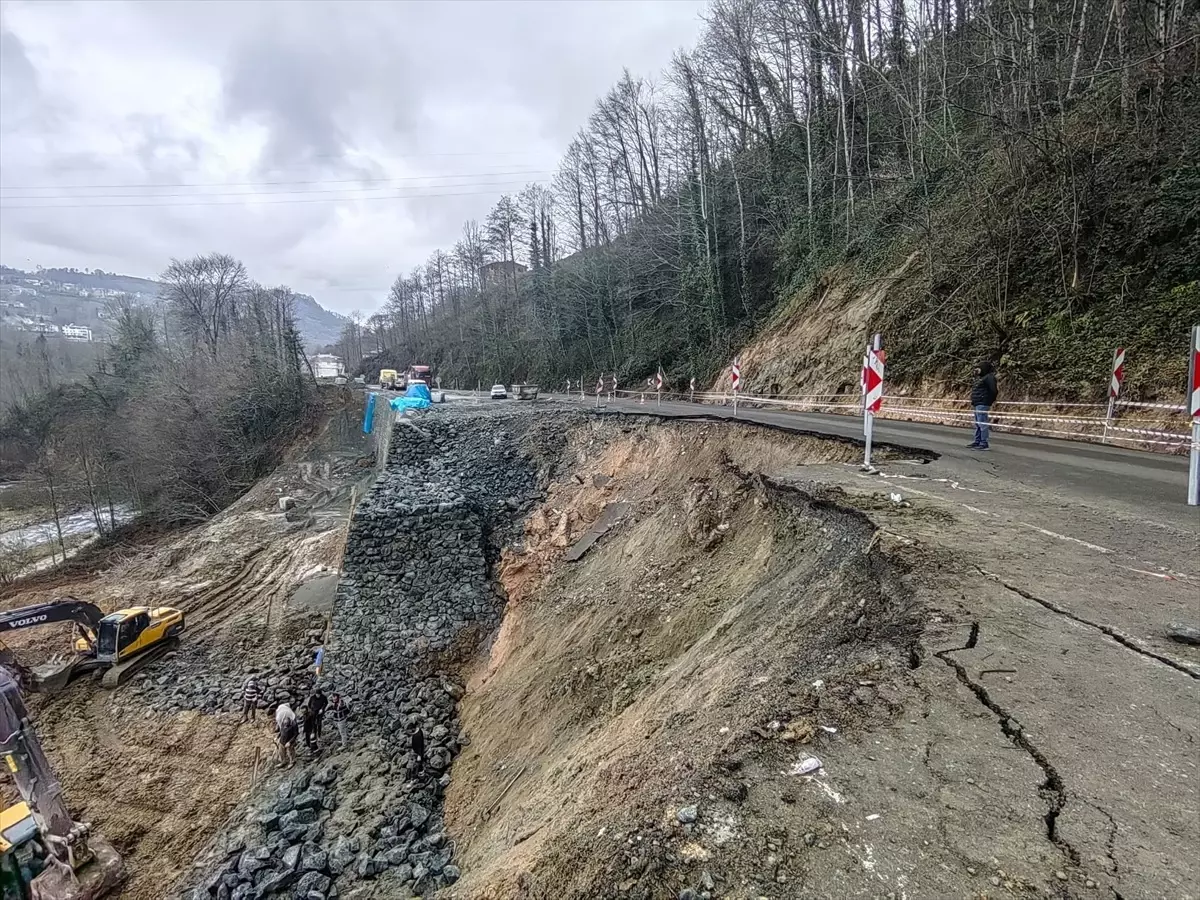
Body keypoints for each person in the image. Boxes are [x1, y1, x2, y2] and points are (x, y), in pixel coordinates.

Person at [968, 359, 998, 450]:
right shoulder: (980, 378)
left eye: (979, 368)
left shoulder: (989, 377)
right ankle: (978, 441)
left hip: (983, 403)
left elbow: (994, 390)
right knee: (978, 424)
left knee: (982, 423)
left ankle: (984, 443)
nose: (977, 370)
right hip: (977, 403)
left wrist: (989, 401)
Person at [275, 703, 298, 769]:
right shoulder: (282, 723)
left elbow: (296, 734)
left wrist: (290, 742)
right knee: (281, 751)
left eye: (286, 723)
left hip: (289, 741)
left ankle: (292, 761)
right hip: (282, 740)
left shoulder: (293, 725)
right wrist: (277, 737)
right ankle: (283, 761)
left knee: (290, 752)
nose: (285, 724)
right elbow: (281, 731)